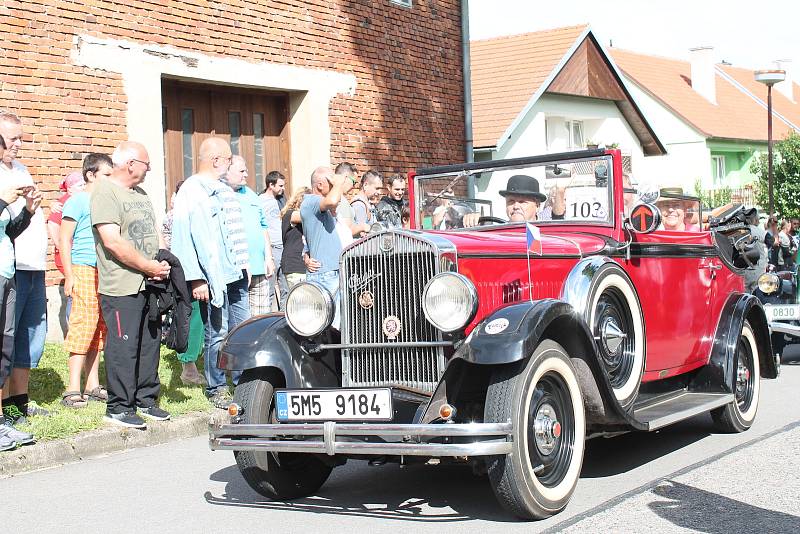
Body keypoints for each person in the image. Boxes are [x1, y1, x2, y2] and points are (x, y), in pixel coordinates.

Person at [91, 141, 172, 429]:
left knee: (150, 343)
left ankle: (145, 399)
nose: (149, 169)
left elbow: (154, 230)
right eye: (147, 164)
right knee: (124, 347)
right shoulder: (105, 191)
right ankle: (119, 407)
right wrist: (147, 266)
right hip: (121, 285)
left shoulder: (140, 193)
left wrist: (162, 262)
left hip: (150, 282)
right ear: (130, 163)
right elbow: (112, 241)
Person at [170, 137, 247, 409]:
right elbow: (182, 236)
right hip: (213, 276)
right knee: (218, 332)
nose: (230, 163)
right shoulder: (192, 189)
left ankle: (243, 385)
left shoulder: (224, 188)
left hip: (237, 272)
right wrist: (196, 277)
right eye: (228, 159)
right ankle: (217, 387)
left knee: (241, 330)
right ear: (216, 160)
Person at [0, 110, 49, 424]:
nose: (18, 144)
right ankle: (5, 412)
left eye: (21, 138)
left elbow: (11, 228)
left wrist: (31, 211)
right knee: (6, 339)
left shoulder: (20, 168)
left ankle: (18, 405)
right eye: (12, 138)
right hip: (11, 267)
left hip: (31, 263)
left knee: (28, 338)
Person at [60, 153, 112, 408]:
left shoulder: (106, 201)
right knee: (83, 323)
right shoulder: (78, 201)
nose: (110, 180)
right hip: (83, 268)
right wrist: (69, 275)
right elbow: (64, 239)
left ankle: (92, 383)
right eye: (106, 175)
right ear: (91, 174)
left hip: (103, 270)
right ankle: (72, 387)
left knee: (99, 328)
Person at [0, 136, 40, 448]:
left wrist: (26, 211)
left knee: (5, 349)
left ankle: (2, 420)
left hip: (7, 273)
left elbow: (9, 233)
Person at [300, 166, 352, 328]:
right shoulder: (311, 201)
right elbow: (331, 200)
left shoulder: (324, 211)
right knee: (330, 327)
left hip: (334, 271)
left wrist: (306, 256)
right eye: (330, 182)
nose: (335, 186)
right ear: (320, 185)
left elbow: (310, 239)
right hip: (326, 275)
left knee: (340, 325)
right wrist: (338, 183)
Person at [224, 156, 275, 316]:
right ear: (227, 171)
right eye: (241, 171)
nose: (246, 174)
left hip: (260, 268)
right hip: (237, 272)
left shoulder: (252, 195)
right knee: (240, 322)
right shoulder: (221, 196)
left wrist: (269, 258)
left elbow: (263, 227)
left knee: (261, 319)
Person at [47, 171, 85, 278]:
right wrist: (61, 247)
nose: (83, 187)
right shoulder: (64, 202)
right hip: (68, 254)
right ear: (70, 189)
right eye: (79, 185)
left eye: (84, 185)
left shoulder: (78, 200)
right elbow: (52, 224)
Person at [259, 170, 288, 310]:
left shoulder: (281, 201)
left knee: (286, 288)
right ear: (271, 185)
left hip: (283, 248)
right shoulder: (260, 201)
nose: (283, 189)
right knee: (269, 289)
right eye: (280, 185)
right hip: (272, 249)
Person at [280, 187, 310, 290]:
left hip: (303, 264)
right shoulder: (290, 214)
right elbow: (306, 216)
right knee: (300, 301)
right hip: (295, 264)